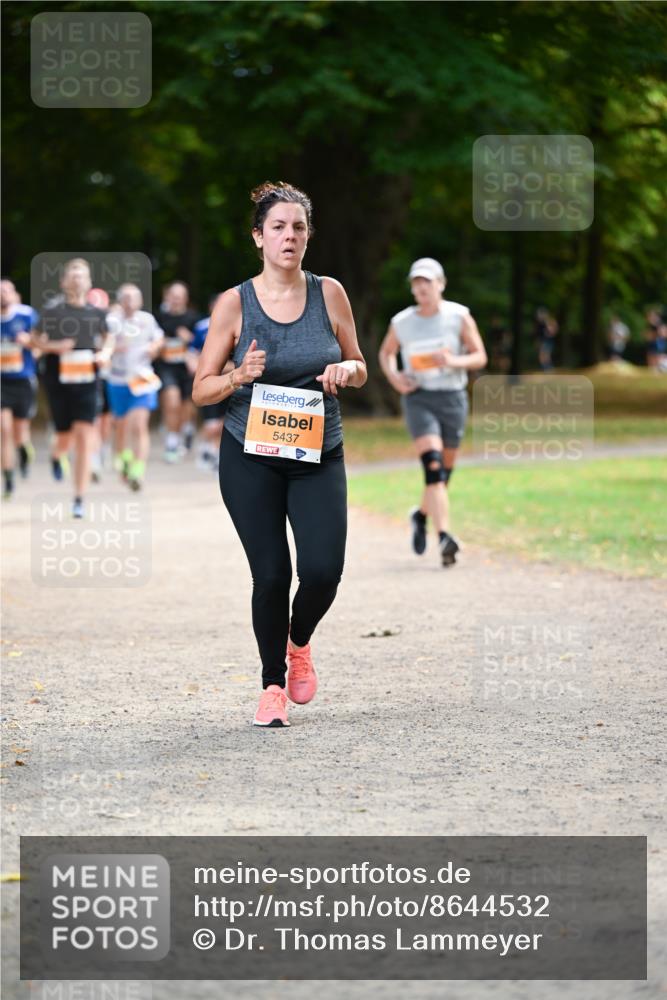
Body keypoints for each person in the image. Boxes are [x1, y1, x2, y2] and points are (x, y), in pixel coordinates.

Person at [193, 181, 367, 728]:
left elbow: (360, 363)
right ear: (258, 237)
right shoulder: (234, 303)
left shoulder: (330, 294)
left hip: (319, 451)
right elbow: (201, 389)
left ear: (308, 236)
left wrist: (346, 369)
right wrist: (237, 375)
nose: (289, 236)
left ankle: (299, 644)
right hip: (251, 456)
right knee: (270, 575)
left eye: (298, 227)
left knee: (322, 572)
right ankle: (272, 686)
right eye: (278, 227)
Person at [378, 258, 487, 567]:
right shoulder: (402, 322)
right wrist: (395, 377)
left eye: (427, 281)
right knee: (433, 465)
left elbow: (479, 356)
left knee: (443, 474)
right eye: (416, 282)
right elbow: (386, 353)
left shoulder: (459, 316)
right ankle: (444, 536)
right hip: (419, 399)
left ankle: (421, 515)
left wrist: (453, 361)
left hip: (452, 399)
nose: (421, 287)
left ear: (441, 284)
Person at [35, 258, 113, 518]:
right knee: (64, 437)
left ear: (89, 282)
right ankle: (57, 456)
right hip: (58, 379)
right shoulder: (53, 311)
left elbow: (109, 338)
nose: (78, 280)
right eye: (73, 275)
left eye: (82, 276)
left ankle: (79, 498)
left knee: (83, 435)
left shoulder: (97, 313)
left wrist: (105, 354)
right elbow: (34, 341)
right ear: (64, 282)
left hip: (88, 380)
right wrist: (55, 347)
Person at [105, 283, 164, 491]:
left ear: (139, 301)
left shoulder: (147, 320)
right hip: (118, 380)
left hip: (142, 379)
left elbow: (159, 339)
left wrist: (154, 348)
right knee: (122, 426)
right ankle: (124, 457)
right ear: (120, 301)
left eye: (134, 298)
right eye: (126, 298)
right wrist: (111, 348)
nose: (130, 302)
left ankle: (138, 471)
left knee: (139, 425)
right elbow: (103, 343)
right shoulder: (112, 321)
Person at [1, 279, 39, 498]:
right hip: (1, 382)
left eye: (6, 290)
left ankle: (24, 451)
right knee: (3, 431)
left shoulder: (26, 315)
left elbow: (42, 342)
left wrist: (29, 342)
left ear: (13, 293)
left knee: (18, 432)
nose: (3, 295)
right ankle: (8, 480)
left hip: (23, 380)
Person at [154, 282, 200, 462]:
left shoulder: (193, 318)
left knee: (186, 408)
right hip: (167, 367)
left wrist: (189, 339)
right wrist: (160, 343)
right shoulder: (159, 318)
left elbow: (202, 343)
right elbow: (153, 341)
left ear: (185, 299)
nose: (176, 299)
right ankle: (172, 443)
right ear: (168, 297)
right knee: (171, 402)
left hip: (187, 368)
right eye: (173, 295)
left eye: (179, 296)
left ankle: (187, 429)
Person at [187, 294, 229, 472]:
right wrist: (194, 365)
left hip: (229, 381)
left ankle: (214, 452)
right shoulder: (202, 327)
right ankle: (205, 447)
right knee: (211, 424)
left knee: (223, 423)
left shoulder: (237, 325)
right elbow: (191, 351)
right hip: (209, 381)